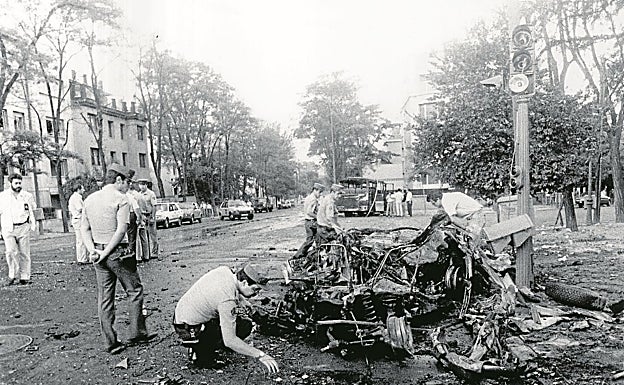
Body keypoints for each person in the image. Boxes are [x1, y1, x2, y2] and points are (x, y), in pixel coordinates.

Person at [81, 163, 157, 355]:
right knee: (135, 290)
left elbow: (84, 229)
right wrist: (107, 252)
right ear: (118, 180)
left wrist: (94, 251)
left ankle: (111, 343)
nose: (128, 186)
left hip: (98, 252)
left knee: (105, 299)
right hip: (118, 252)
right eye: (127, 182)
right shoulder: (121, 199)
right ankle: (137, 333)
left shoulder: (89, 199)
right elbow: (121, 230)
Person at [173, 263, 279, 373]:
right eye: (255, 289)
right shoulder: (227, 301)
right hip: (188, 329)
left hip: (182, 315)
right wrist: (261, 355)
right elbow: (230, 340)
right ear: (244, 282)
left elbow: (228, 292)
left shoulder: (225, 271)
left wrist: (246, 304)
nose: (256, 294)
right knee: (240, 329)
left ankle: (206, 344)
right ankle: (201, 353)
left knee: (242, 324)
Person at [0, 173, 37, 285]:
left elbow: (32, 209)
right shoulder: (3, 196)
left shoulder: (27, 196)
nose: (18, 185)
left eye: (20, 183)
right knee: (11, 252)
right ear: (10, 183)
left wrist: (32, 223)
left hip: (23, 227)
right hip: (8, 228)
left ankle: (25, 276)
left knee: (24, 253)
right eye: (16, 183)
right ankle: (13, 275)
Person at [291, 183, 325, 262]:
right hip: (310, 222)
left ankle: (317, 258)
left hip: (310, 222)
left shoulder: (310, 198)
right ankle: (297, 256)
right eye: (319, 192)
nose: (320, 194)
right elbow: (309, 212)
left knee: (317, 241)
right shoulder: (312, 199)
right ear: (315, 190)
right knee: (311, 241)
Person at [68, 184, 89, 264]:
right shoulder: (76, 198)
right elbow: (80, 209)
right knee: (81, 240)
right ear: (78, 189)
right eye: (82, 189)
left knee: (81, 240)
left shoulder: (75, 197)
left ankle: (83, 258)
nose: (83, 190)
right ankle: (82, 259)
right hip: (79, 219)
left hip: (78, 219)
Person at [138, 179, 158, 258]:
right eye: (140, 184)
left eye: (143, 184)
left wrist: (152, 217)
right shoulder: (139, 194)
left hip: (149, 215)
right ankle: (147, 253)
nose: (142, 186)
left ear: (146, 185)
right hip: (143, 216)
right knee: (144, 236)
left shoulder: (151, 194)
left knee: (153, 234)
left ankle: (155, 252)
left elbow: (154, 206)